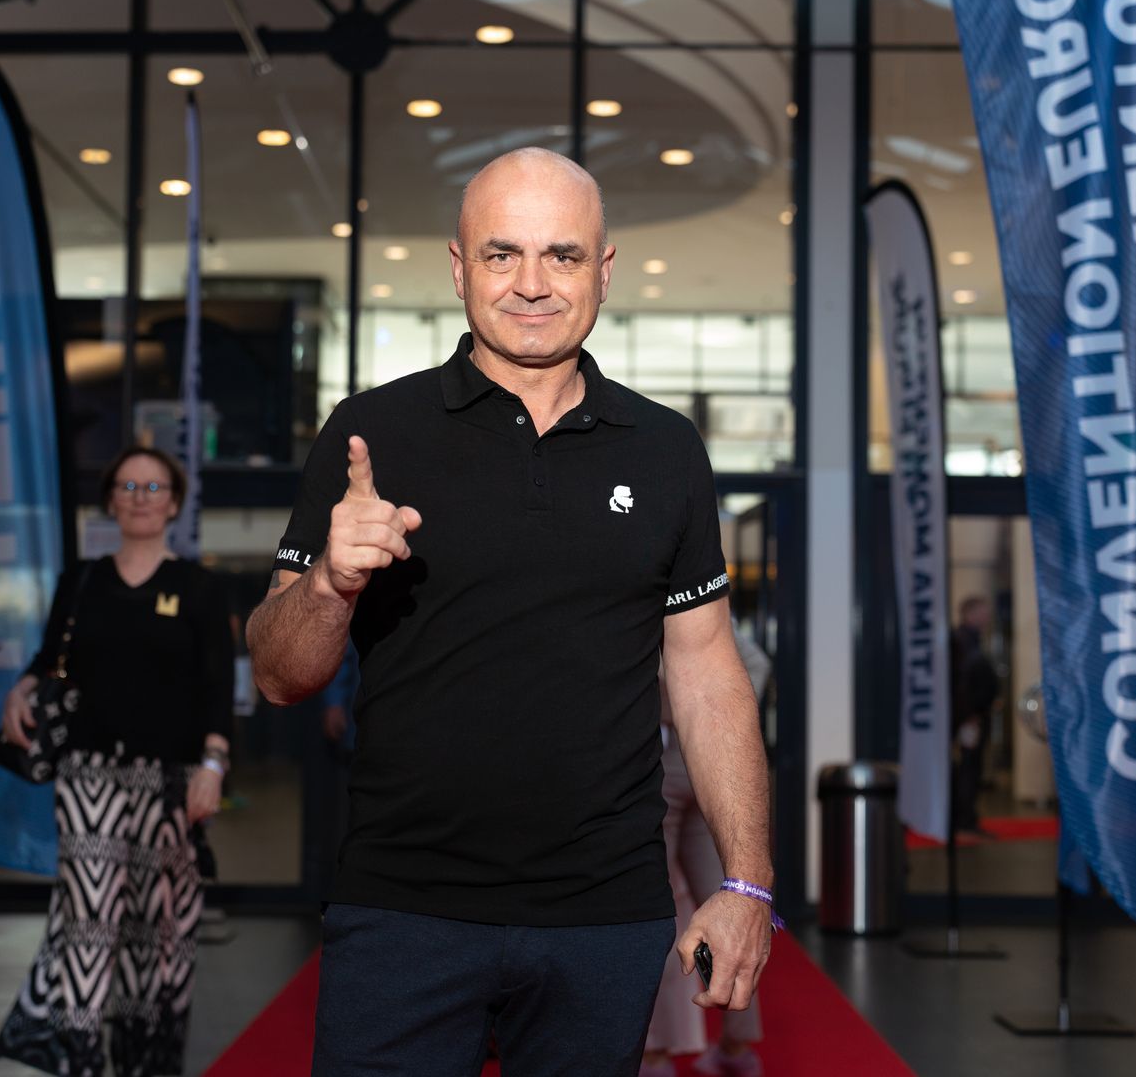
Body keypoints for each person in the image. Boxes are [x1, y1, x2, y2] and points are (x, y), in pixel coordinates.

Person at [247, 147, 774, 1076]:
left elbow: (706, 674)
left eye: (561, 255)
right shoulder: (372, 433)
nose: (532, 284)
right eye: (502, 254)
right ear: (459, 268)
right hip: (402, 908)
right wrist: (329, 583)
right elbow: (279, 676)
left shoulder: (664, 450)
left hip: (604, 918)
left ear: (602, 270)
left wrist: (746, 883)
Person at [0, 446, 233, 1077]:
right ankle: (78, 1056)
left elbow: (217, 688)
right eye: (127, 486)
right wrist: (21, 690)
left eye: (154, 487)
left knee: (158, 933)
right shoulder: (81, 581)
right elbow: (49, 661)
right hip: (89, 776)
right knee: (90, 918)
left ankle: (144, 1061)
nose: (139, 497)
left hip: (171, 781)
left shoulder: (199, 588)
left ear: (174, 504)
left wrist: (213, 765)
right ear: (110, 500)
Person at [642, 626, 772, 1077]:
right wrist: (721, 717)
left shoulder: (642, 614)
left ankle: (655, 1053)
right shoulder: (701, 614)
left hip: (659, 763)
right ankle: (737, 1047)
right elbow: (757, 663)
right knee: (732, 903)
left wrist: (672, 708)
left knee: (659, 907)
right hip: (715, 768)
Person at [951, 595, 1000, 835]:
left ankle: (965, 816)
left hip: (973, 714)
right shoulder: (962, 640)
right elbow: (963, 681)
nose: (987, 617)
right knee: (969, 767)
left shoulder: (972, 640)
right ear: (969, 613)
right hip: (969, 717)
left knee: (971, 766)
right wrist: (970, 713)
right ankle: (965, 818)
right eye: (983, 611)